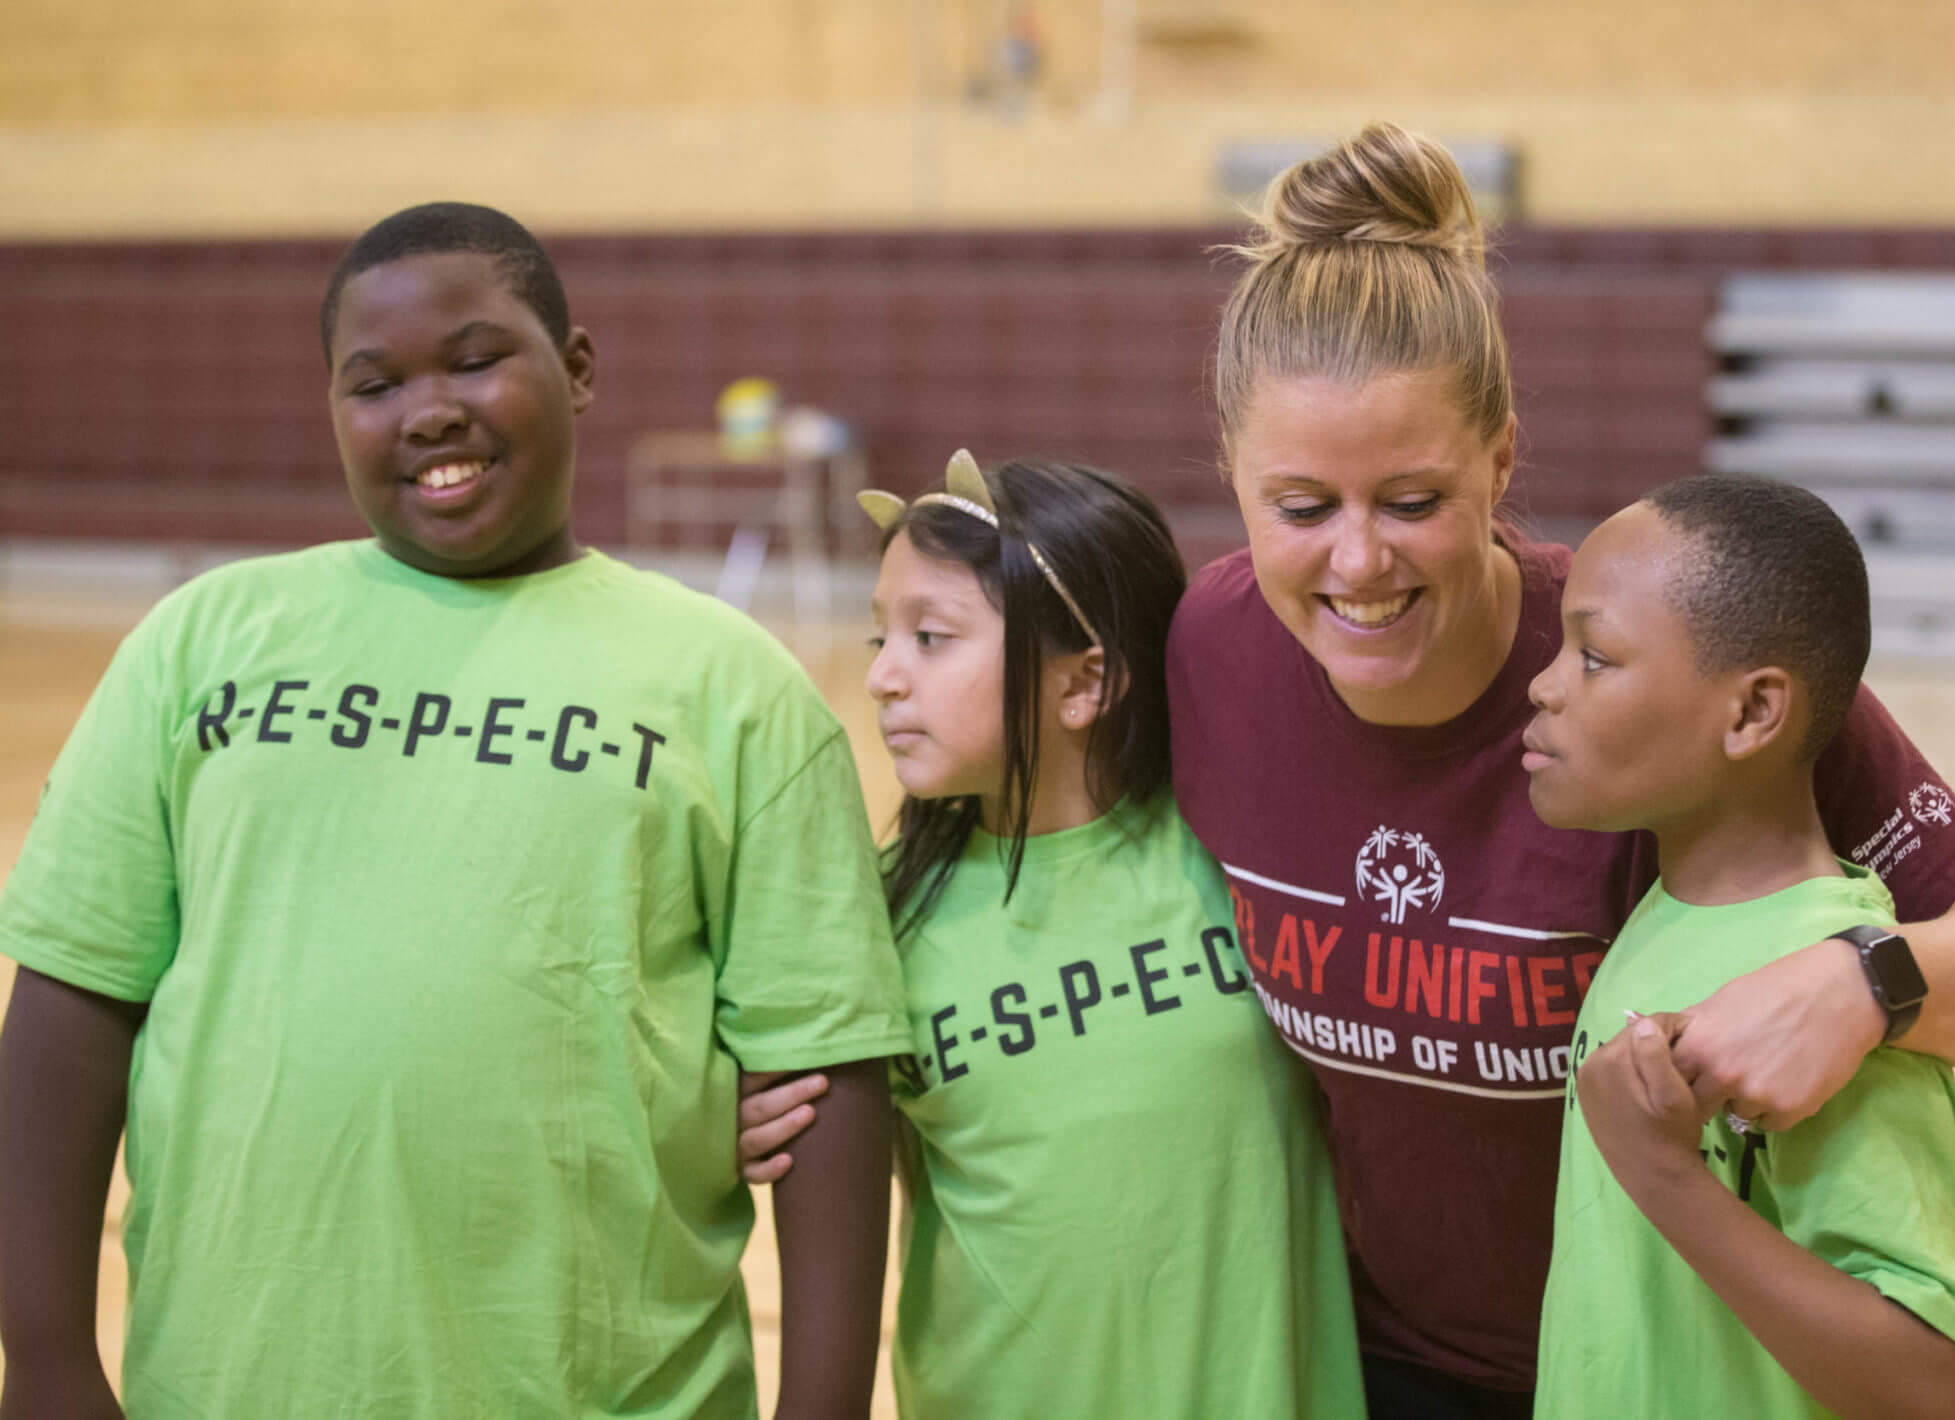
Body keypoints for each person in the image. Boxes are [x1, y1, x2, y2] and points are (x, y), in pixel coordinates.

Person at [1158, 123, 1955, 1416]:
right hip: (1349, 1361)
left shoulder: (1652, 674)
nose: (1358, 562)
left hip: (1651, 1376)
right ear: (1231, 479)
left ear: (1499, 459)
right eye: (1302, 506)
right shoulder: (1208, 654)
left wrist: (1867, 978)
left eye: (1414, 501)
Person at [0, 202, 910, 1420]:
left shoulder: (733, 686)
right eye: (373, 383)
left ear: (576, 369)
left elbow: (826, 1077)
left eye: (476, 360)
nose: (429, 407)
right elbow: (71, 999)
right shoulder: (200, 643)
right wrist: (48, 1356)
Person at [837, 449, 1365, 1417]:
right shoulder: (875, 917)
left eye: (929, 636)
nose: (881, 677)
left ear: (1086, 682)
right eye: (880, 637)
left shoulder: (1248, 861)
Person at [1525, 476, 1955, 1418]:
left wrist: (1666, 1178)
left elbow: (1928, 1384)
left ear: (1751, 714)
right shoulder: (1660, 912)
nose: (1544, 683)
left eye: (1596, 657)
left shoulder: (1818, 986)